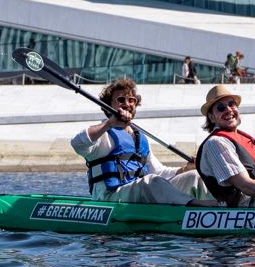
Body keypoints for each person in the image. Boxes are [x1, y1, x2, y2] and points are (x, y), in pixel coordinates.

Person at [72, 78, 209, 205]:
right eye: (121, 99)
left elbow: (158, 172)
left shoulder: (140, 138)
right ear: (109, 105)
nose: (127, 104)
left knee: (194, 177)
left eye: (131, 100)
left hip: (140, 192)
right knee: (149, 182)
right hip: (110, 197)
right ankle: (194, 205)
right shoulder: (102, 134)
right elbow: (78, 144)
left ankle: (215, 209)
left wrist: (185, 169)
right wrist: (110, 123)